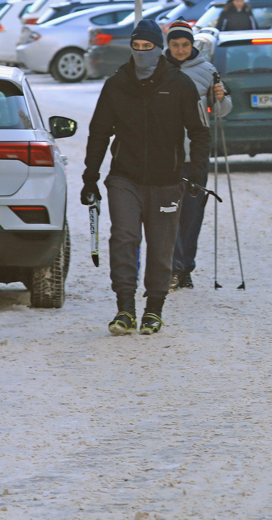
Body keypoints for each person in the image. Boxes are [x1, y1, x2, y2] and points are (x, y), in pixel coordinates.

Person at [82, 19, 211, 335]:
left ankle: (154, 309)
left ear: (158, 49)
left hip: (167, 180)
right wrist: (90, 176)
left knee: (161, 245)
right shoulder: (116, 85)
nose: (141, 53)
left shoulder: (180, 85)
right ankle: (124, 308)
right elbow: (99, 132)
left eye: (147, 47)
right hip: (124, 177)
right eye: (136, 47)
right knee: (125, 238)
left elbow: (199, 132)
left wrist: (196, 173)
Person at [163, 21, 232, 290]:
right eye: (175, 44)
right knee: (167, 214)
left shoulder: (207, 71)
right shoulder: (157, 70)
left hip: (195, 155)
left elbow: (223, 109)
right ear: (168, 45)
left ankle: (185, 266)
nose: (180, 50)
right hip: (164, 155)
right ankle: (174, 267)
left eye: (185, 45)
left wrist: (220, 96)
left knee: (191, 215)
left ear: (192, 45)